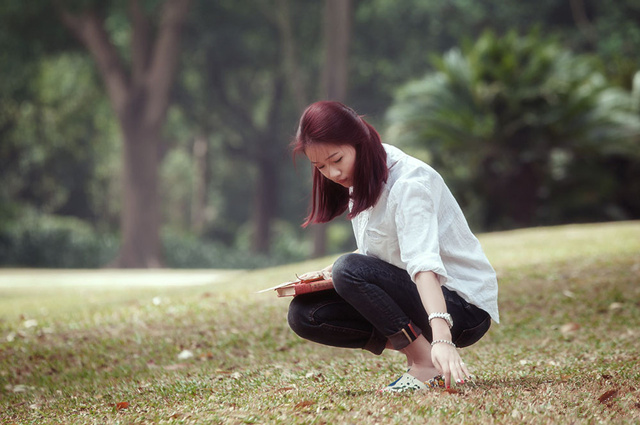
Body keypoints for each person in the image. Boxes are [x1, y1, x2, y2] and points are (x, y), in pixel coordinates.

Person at [287, 101, 499, 392]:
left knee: (348, 268)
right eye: (321, 167)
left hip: (462, 308)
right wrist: (328, 275)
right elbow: (382, 253)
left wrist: (442, 338)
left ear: (359, 141)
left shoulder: (410, 183)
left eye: (337, 159)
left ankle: (426, 362)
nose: (333, 173)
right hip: (419, 297)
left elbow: (423, 264)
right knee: (305, 314)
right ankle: (425, 355)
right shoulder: (361, 179)